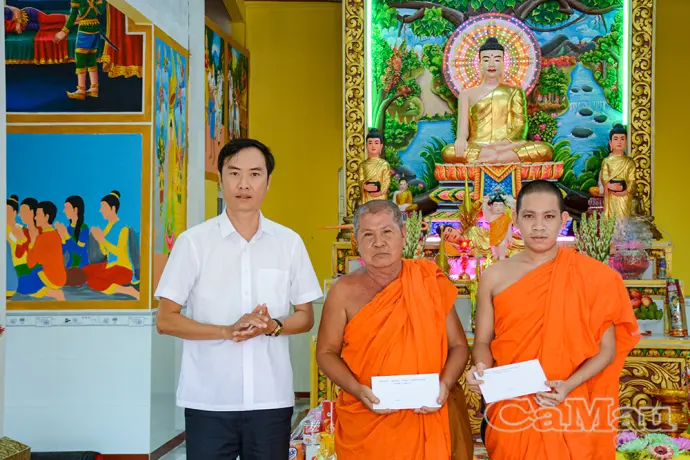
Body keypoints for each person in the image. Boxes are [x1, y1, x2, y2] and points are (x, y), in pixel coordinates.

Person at [155, 139, 323, 460]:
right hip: (209, 400)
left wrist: (273, 326)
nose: (244, 184)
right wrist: (226, 331)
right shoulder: (193, 243)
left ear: (268, 182)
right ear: (220, 179)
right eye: (234, 173)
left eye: (255, 174)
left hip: (270, 399)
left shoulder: (288, 243)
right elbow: (165, 320)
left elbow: (305, 316)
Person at [466, 180, 640, 459]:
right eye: (529, 216)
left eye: (548, 217)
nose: (538, 226)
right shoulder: (494, 276)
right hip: (513, 404)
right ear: (515, 219)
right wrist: (481, 368)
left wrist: (568, 385)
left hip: (571, 400)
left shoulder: (594, 277)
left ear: (563, 220)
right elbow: (484, 340)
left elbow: (607, 350)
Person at [316, 200, 474, 460]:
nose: (379, 242)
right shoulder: (343, 292)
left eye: (387, 232)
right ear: (356, 242)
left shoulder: (428, 280)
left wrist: (444, 385)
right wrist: (358, 390)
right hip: (368, 419)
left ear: (403, 235)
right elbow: (325, 352)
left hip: (427, 414)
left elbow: (458, 345)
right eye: (368, 235)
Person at [443, 37, 553, 164]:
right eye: (486, 60)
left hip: (507, 147)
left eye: (497, 59)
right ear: (479, 63)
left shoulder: (515, 91)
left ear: (503, 63)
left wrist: (503, 145)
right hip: (479, 147)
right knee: (449, 151)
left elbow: (519, 127)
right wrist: (461, 140)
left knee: (545, 150)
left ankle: (492, 158)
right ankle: (498, 157)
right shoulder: (466, 94)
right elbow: (462, 130)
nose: (491, 64)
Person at [600, 124, 636, 220]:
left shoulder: (629, 162)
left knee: (623, 221)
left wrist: (626, 191)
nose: (619, 142)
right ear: (610, 143)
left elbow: (632, 180)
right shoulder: (607, 161)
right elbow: (604, 178)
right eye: (616, 139)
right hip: (611, 195)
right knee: (611, 221)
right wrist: (609, 185)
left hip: (625, 197)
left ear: (626, 142)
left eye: (622, 139)